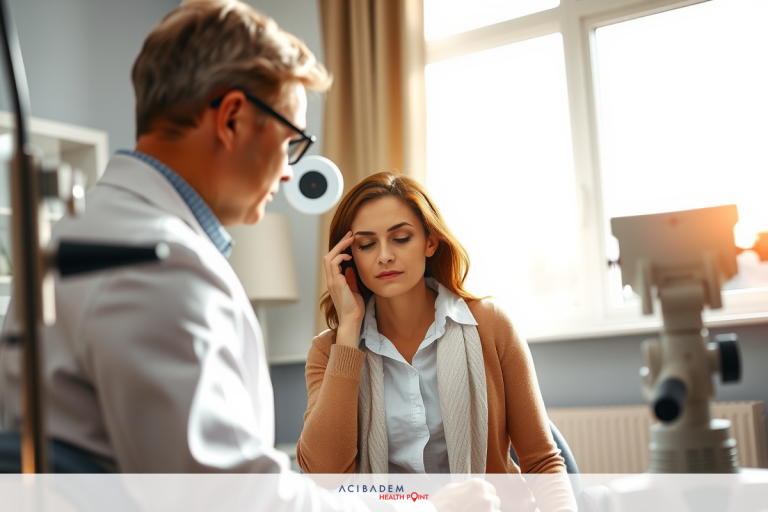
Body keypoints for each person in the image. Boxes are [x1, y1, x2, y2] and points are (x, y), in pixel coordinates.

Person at [0, 1, 501, 510]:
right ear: (234, 118)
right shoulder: (157, 264)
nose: (287, 173)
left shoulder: (89, 230)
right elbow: (229, 497)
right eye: (289, 141)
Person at [296, 172, 577, 510]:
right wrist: (349, 332)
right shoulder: (329, 351)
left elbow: (543, 463)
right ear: (348, 257)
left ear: (430, 242)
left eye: (401, 238)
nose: (384, 255)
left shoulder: (490, 324)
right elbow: (324, 479)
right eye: (366, 244)